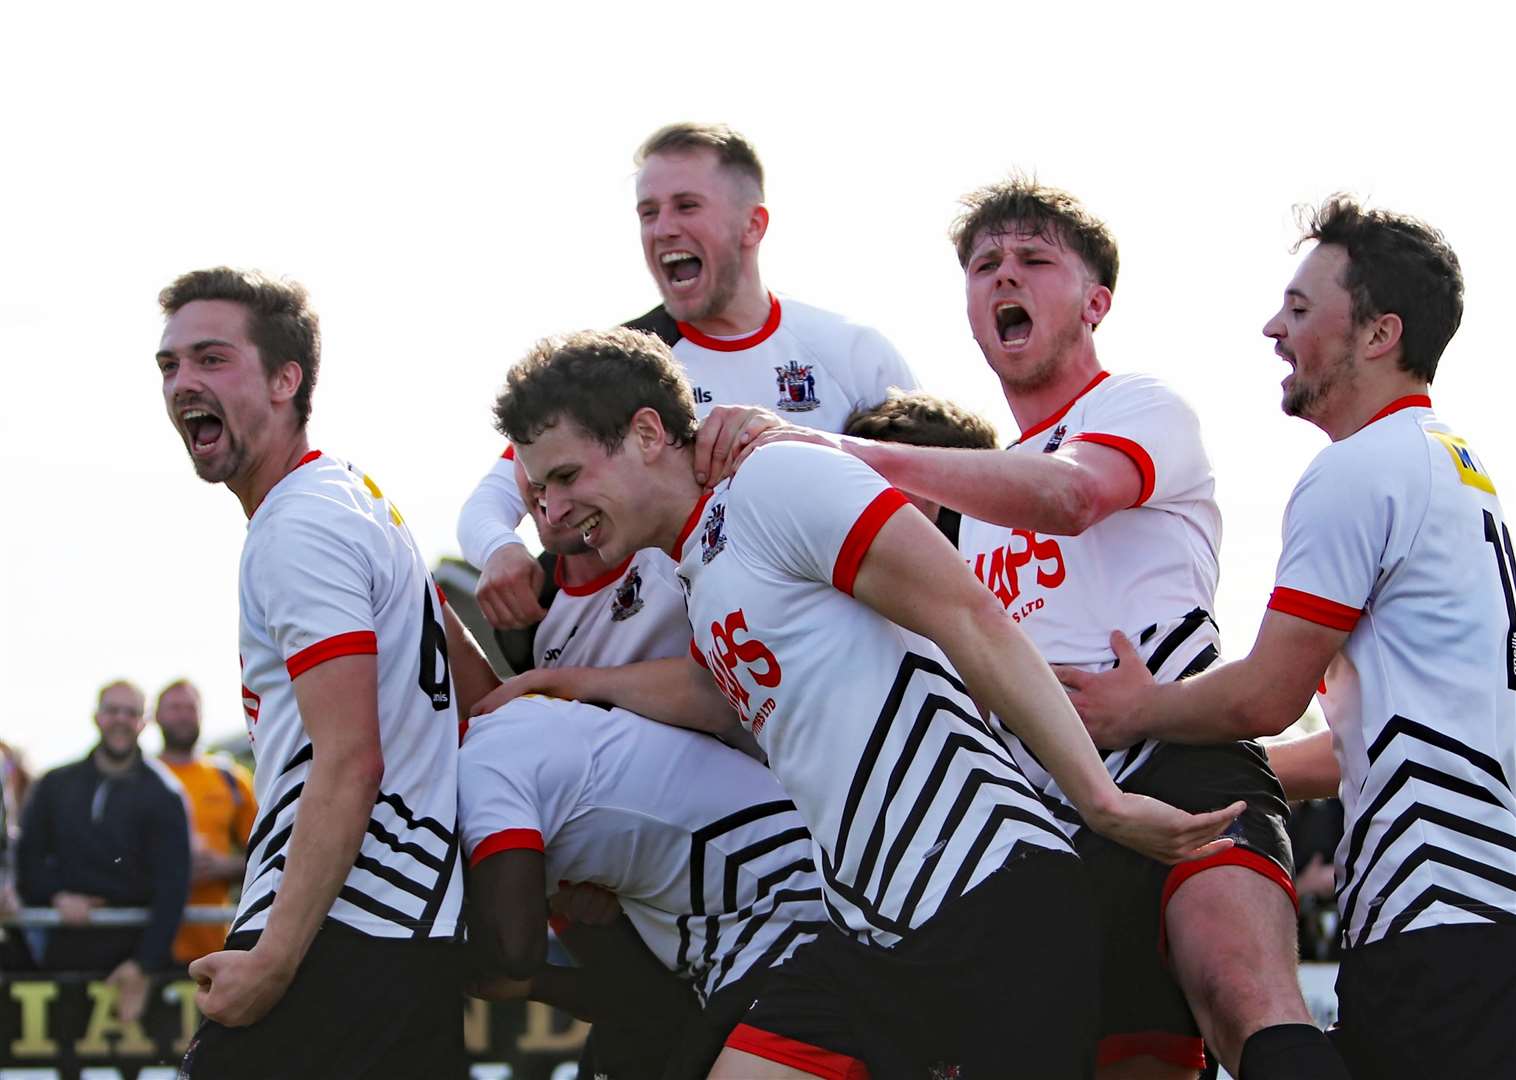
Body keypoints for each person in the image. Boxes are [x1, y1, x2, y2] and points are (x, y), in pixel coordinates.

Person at [484, 327, 1243, 1077]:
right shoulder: (698, 559)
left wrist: (1100, 799)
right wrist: (566, 686)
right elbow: (720, 695)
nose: (551, 515)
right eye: (539, 491)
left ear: (647, 433)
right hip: (867, 926)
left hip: (992, 896)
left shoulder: (774, 480)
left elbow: (969, 614)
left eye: (565, 477)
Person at [1060, 197, 1516, 1080]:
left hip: (1437, 916)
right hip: (1482, 909)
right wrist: (1220, 793)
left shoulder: (1360, 467)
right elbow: (1355, 747)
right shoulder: (1456, 465)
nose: (1274, 328)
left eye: (1301, 309)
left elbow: (1271, 695)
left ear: (1379, 334)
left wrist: (1138, 714)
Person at [155, 268, 466, 1078]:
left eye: (212, 358)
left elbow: (350, 755)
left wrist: (275, 959)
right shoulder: (355, 496)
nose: (184, 382)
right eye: (170, 366)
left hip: (342, 930)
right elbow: (469, 684)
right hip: (406, 935)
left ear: (286, 379)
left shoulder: (301, 525)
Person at [457, 121, 916, 632]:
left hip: (833, 659)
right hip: (680, 681)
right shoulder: (617, 367)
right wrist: (501, 550)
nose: (663, 228)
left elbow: (935, 496)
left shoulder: (852, 351)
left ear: (753, 225)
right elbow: (488, 502)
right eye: (648, 213)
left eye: (686, 206)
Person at [461, 693, 828, 1079]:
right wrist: (524, 983)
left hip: (785, 916)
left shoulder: (484, 768)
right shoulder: (510, 802)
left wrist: (452, 964)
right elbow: (634, 998)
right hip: (745, 940)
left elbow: (515, 953)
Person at [15, 680, 190, 1022]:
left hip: (136, 957)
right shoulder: (55, 784)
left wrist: (144, 964)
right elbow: (28, 860)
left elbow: (174, 885)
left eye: (131, 712)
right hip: (64, 953)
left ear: (144, 721)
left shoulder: (165, 793)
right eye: (112, 710)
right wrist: (56, 896)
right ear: (97, 716)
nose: (120, 719)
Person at [154, 679, 257, 966]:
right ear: (156, 716)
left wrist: (225, 866)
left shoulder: (230, 779)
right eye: (174, 707)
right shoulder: (140, 778)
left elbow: (269, 854)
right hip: (144, 947)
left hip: (214, 945)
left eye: (190, 707)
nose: (183, 715)